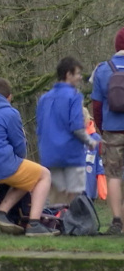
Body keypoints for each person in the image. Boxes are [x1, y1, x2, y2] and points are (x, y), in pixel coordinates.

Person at [0, 78, 57, 236]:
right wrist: (19, 159)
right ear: (9, 97)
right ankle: (34, 224)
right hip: (0, 166)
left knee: (28, 175)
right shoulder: (10, 113)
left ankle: (1, 213)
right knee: (44, 175)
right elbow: (20, 146)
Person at [36, 56, 98, 206]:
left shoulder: (44, 98)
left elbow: (39, 126)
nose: (79, 78)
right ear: (68, 74)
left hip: (49, 152)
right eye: (77, 74)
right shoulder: (74, 96)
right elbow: (76, 127)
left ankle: (57, 224)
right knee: (74, 194)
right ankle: (73, 223)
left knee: (55, 194)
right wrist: (90, 142)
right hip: (71, 153)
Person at [91, 27, 124, 235]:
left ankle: (116, 222)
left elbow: (96, 105)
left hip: (112, 131)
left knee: (113, 176)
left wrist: (102, 128)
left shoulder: (103, 69)